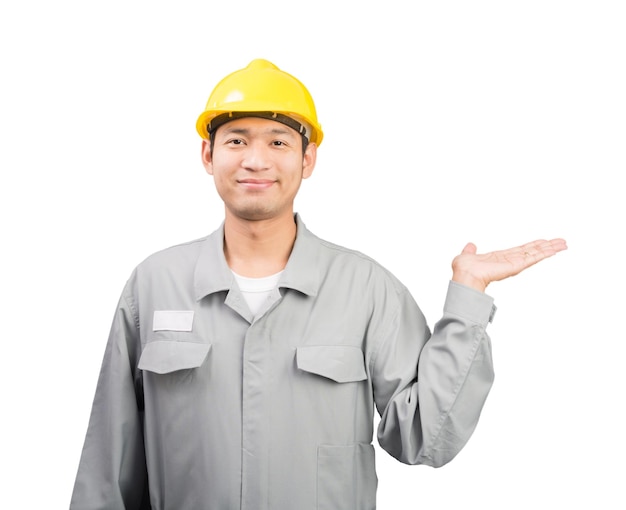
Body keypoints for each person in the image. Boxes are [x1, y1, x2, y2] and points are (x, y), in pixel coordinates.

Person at [69, 59, 567, 510]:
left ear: (307, 160)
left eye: (278, 142)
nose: (256, 160)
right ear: (208, 154)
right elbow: (108, 469)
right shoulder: (155, 283)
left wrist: (468, 298)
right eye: (237, 139)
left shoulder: (366, 288)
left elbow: (424, 438)